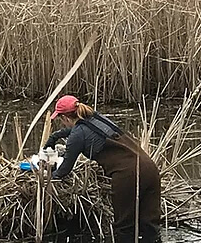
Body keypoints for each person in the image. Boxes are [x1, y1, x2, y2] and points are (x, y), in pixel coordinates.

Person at [44, 95, 161, 243]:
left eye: (61, 120)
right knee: (150, 226)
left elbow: (64, 170)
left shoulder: (77, 135)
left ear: (65, 118)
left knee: (125, 228)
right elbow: (82, 130)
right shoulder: (97, 118)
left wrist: (47, 177)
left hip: (128, 175)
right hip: (150, 168)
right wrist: (56, 136)